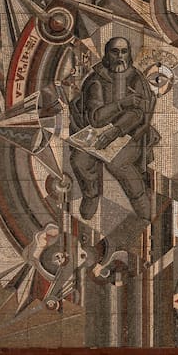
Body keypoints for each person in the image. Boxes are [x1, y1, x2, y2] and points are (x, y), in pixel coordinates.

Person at [69, 36, 157, 221]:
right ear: (107, 55)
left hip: (130, 134)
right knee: (79, 161)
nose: (120, 56)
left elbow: (140, 113)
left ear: (129, 54)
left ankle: (140, 199)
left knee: (118, 164)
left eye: (124, 51)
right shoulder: (96, 79)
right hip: (95, 135)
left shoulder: (136, 78)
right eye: (114, 52)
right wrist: (124, 103)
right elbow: (96, 119)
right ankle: (91, 194)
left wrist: (116, 130)